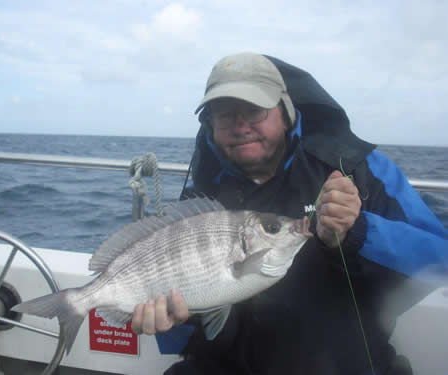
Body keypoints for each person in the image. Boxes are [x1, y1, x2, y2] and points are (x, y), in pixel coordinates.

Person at [131, 52, 448, 374]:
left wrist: (360, 231)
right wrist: (170, 323)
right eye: (224, 115)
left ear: (286, 112)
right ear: (210, 126)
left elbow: (439, 258)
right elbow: (190, 329)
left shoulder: (357, 167)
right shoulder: (201, 192)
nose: (241, 127)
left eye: (254, 111)